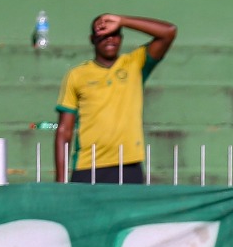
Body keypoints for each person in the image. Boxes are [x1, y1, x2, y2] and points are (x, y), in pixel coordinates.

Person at [54, 13, 177, 184]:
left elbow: (168, 32)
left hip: (128, 164)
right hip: (88, 166)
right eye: (103, 35)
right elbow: (64, 130)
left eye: (114, 34)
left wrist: (122, 21)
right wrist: (61, 181)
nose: (109, 39)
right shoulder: (77, 75)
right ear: (92, 39)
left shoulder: (134, 63)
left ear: (121, 38)